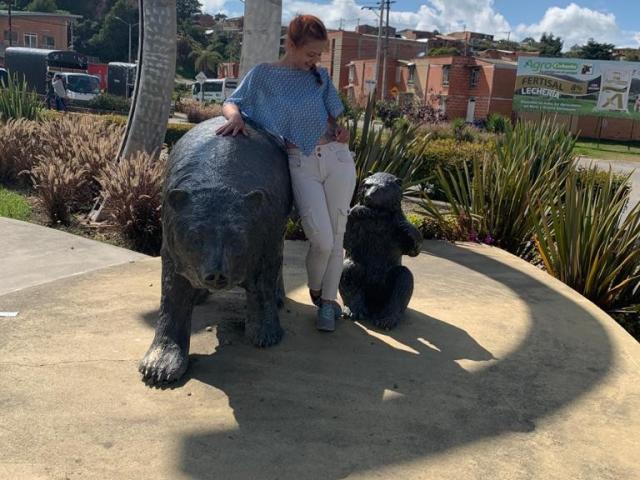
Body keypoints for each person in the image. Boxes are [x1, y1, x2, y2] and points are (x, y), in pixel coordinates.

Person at [216, 14, 356, 332]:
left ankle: (327, 304)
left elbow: (334, 120)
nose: (314, 60)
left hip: (337, 159)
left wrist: (342, 131)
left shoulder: (320, 77)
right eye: (310, 53)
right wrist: (235, 118)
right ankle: (317, 289)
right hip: (301, 163)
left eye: (319, 54)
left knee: (337, 236)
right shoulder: (264, 75)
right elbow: (232, 102)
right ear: (291, 44)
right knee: (321, 239)